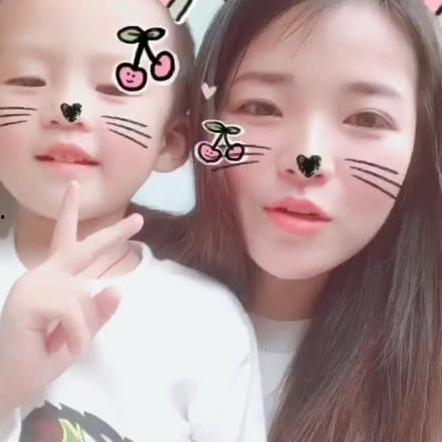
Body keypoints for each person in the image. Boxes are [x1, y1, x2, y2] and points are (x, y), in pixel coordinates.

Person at [133, 0, 442, 440]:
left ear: (420, 146)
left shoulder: (427, 383)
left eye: (366, 118)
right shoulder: (105, 287)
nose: (307, 160)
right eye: (261, 107)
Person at [0, 0, 266, 440]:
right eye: (27, 79)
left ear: (171, 141)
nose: (68, 106)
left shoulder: (205, 322)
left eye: (115, 85)